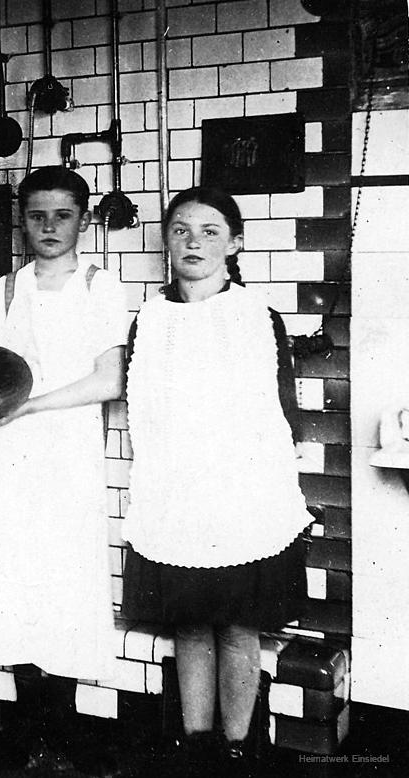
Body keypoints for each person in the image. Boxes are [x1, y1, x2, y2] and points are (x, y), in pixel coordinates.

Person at [121, 187, 311, 773]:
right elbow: (144, 412)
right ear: (166, 242)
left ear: (235, 242)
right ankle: (194, 746)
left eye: (209, 230)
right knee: (190, 626)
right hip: (175, 497)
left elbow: (282, 414)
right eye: (181, 230)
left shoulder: (258, 316)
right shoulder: (148, 320)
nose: (193, 242)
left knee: (237, 627)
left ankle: (238, 751)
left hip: (242, 500)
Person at [0, 166, 128, 766]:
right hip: (12, 454)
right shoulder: (5, 289)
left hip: (69, 450)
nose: (49, 227)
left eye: (62, 214)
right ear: (21, 220)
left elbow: (108, 380)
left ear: (83, 218)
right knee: (17, 574)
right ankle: (25, 726)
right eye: (36, 215)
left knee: (66, 575)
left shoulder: (102, 285)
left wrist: (28, 404)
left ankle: (61, 726)